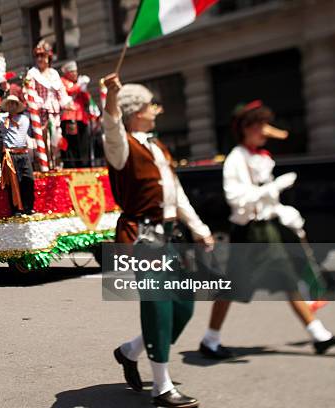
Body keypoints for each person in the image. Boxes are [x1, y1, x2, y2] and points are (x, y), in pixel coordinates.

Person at [198, 101, 335, 359]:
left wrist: (285, 213)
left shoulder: (259, 157)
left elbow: (266, 201)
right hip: (248, 232)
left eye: (264, 125)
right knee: (233, 287)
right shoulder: (236, 158)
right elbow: (237, 199)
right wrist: (273, 188)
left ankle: (319, 335)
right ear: (245, 128)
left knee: (288, 279)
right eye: (258, 126)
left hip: (266, 229)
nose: (264, 131)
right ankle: (210, 339)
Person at [103, 73, 213, 407]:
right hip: (141, 235)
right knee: (159, 305)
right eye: (152, 104)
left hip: (169, 235)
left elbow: (175, 194)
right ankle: (161, 388)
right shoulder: (122, 146)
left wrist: (200, 228)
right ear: (136, 110)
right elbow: (111, 125)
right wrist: (112, 94)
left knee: (184, 306)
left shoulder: (157, 145)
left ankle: (130, 351)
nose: (157, 109)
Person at [25, 40, 71, 168]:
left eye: (43, 56)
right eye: (37, 56)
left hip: (55, 113)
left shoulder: (54, 73)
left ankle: (57, 166)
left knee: (57, 141)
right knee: (44, 142)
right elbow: (29, 92)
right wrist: (38, 104)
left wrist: (66, 103)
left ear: (48, 57)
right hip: (40, 114)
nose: (40, 59)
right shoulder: (32, 74)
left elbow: (61, 91)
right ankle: (45, 167)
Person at [60, 61, 91, 168]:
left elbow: (87, 100)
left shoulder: (78, 83)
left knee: (83, 144)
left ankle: (85, 164)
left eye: (76, 72)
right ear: (67, 73)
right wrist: (79, 85)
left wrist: (84, 90)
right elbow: (67, 91)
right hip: (70, 116)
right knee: (71, 144)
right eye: (72, 72)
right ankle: (72, 165)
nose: (75, 74)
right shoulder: (62, 81)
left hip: (81, 117)